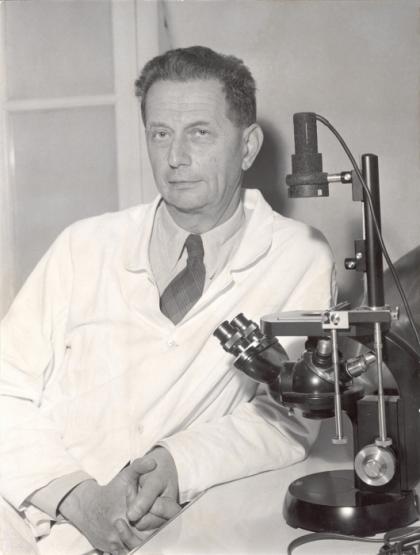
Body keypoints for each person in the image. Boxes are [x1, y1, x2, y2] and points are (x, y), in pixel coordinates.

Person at [0, 46, 336, 555]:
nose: (175, 157)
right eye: (160, 134)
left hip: (168, 527)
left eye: (199, 133)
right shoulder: (83, 245)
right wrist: (77, 497)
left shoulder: (298, 255)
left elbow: (287, 416)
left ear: (247, 146)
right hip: (30, 512)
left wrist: (178, 463)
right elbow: (6, 389)